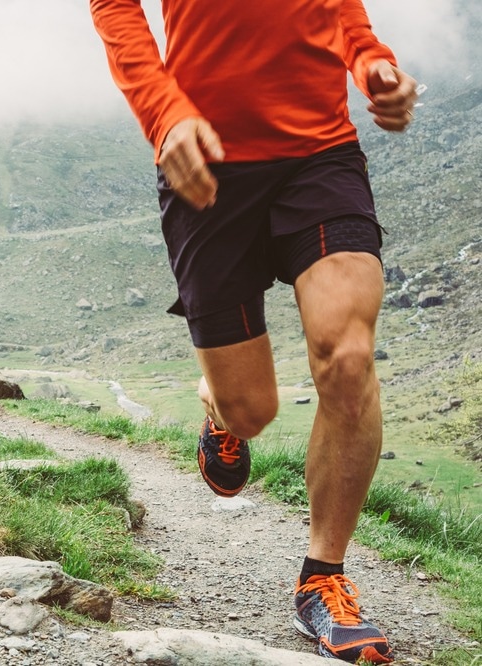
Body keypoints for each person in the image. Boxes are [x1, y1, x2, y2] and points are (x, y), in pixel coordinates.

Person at [89, 0, 418, 662]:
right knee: (253, 409)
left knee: (348, 356)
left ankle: (322, 580)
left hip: (320, 154)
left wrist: (371, 60)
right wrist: (164, 111)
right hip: (206, 161)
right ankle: (220, 410)